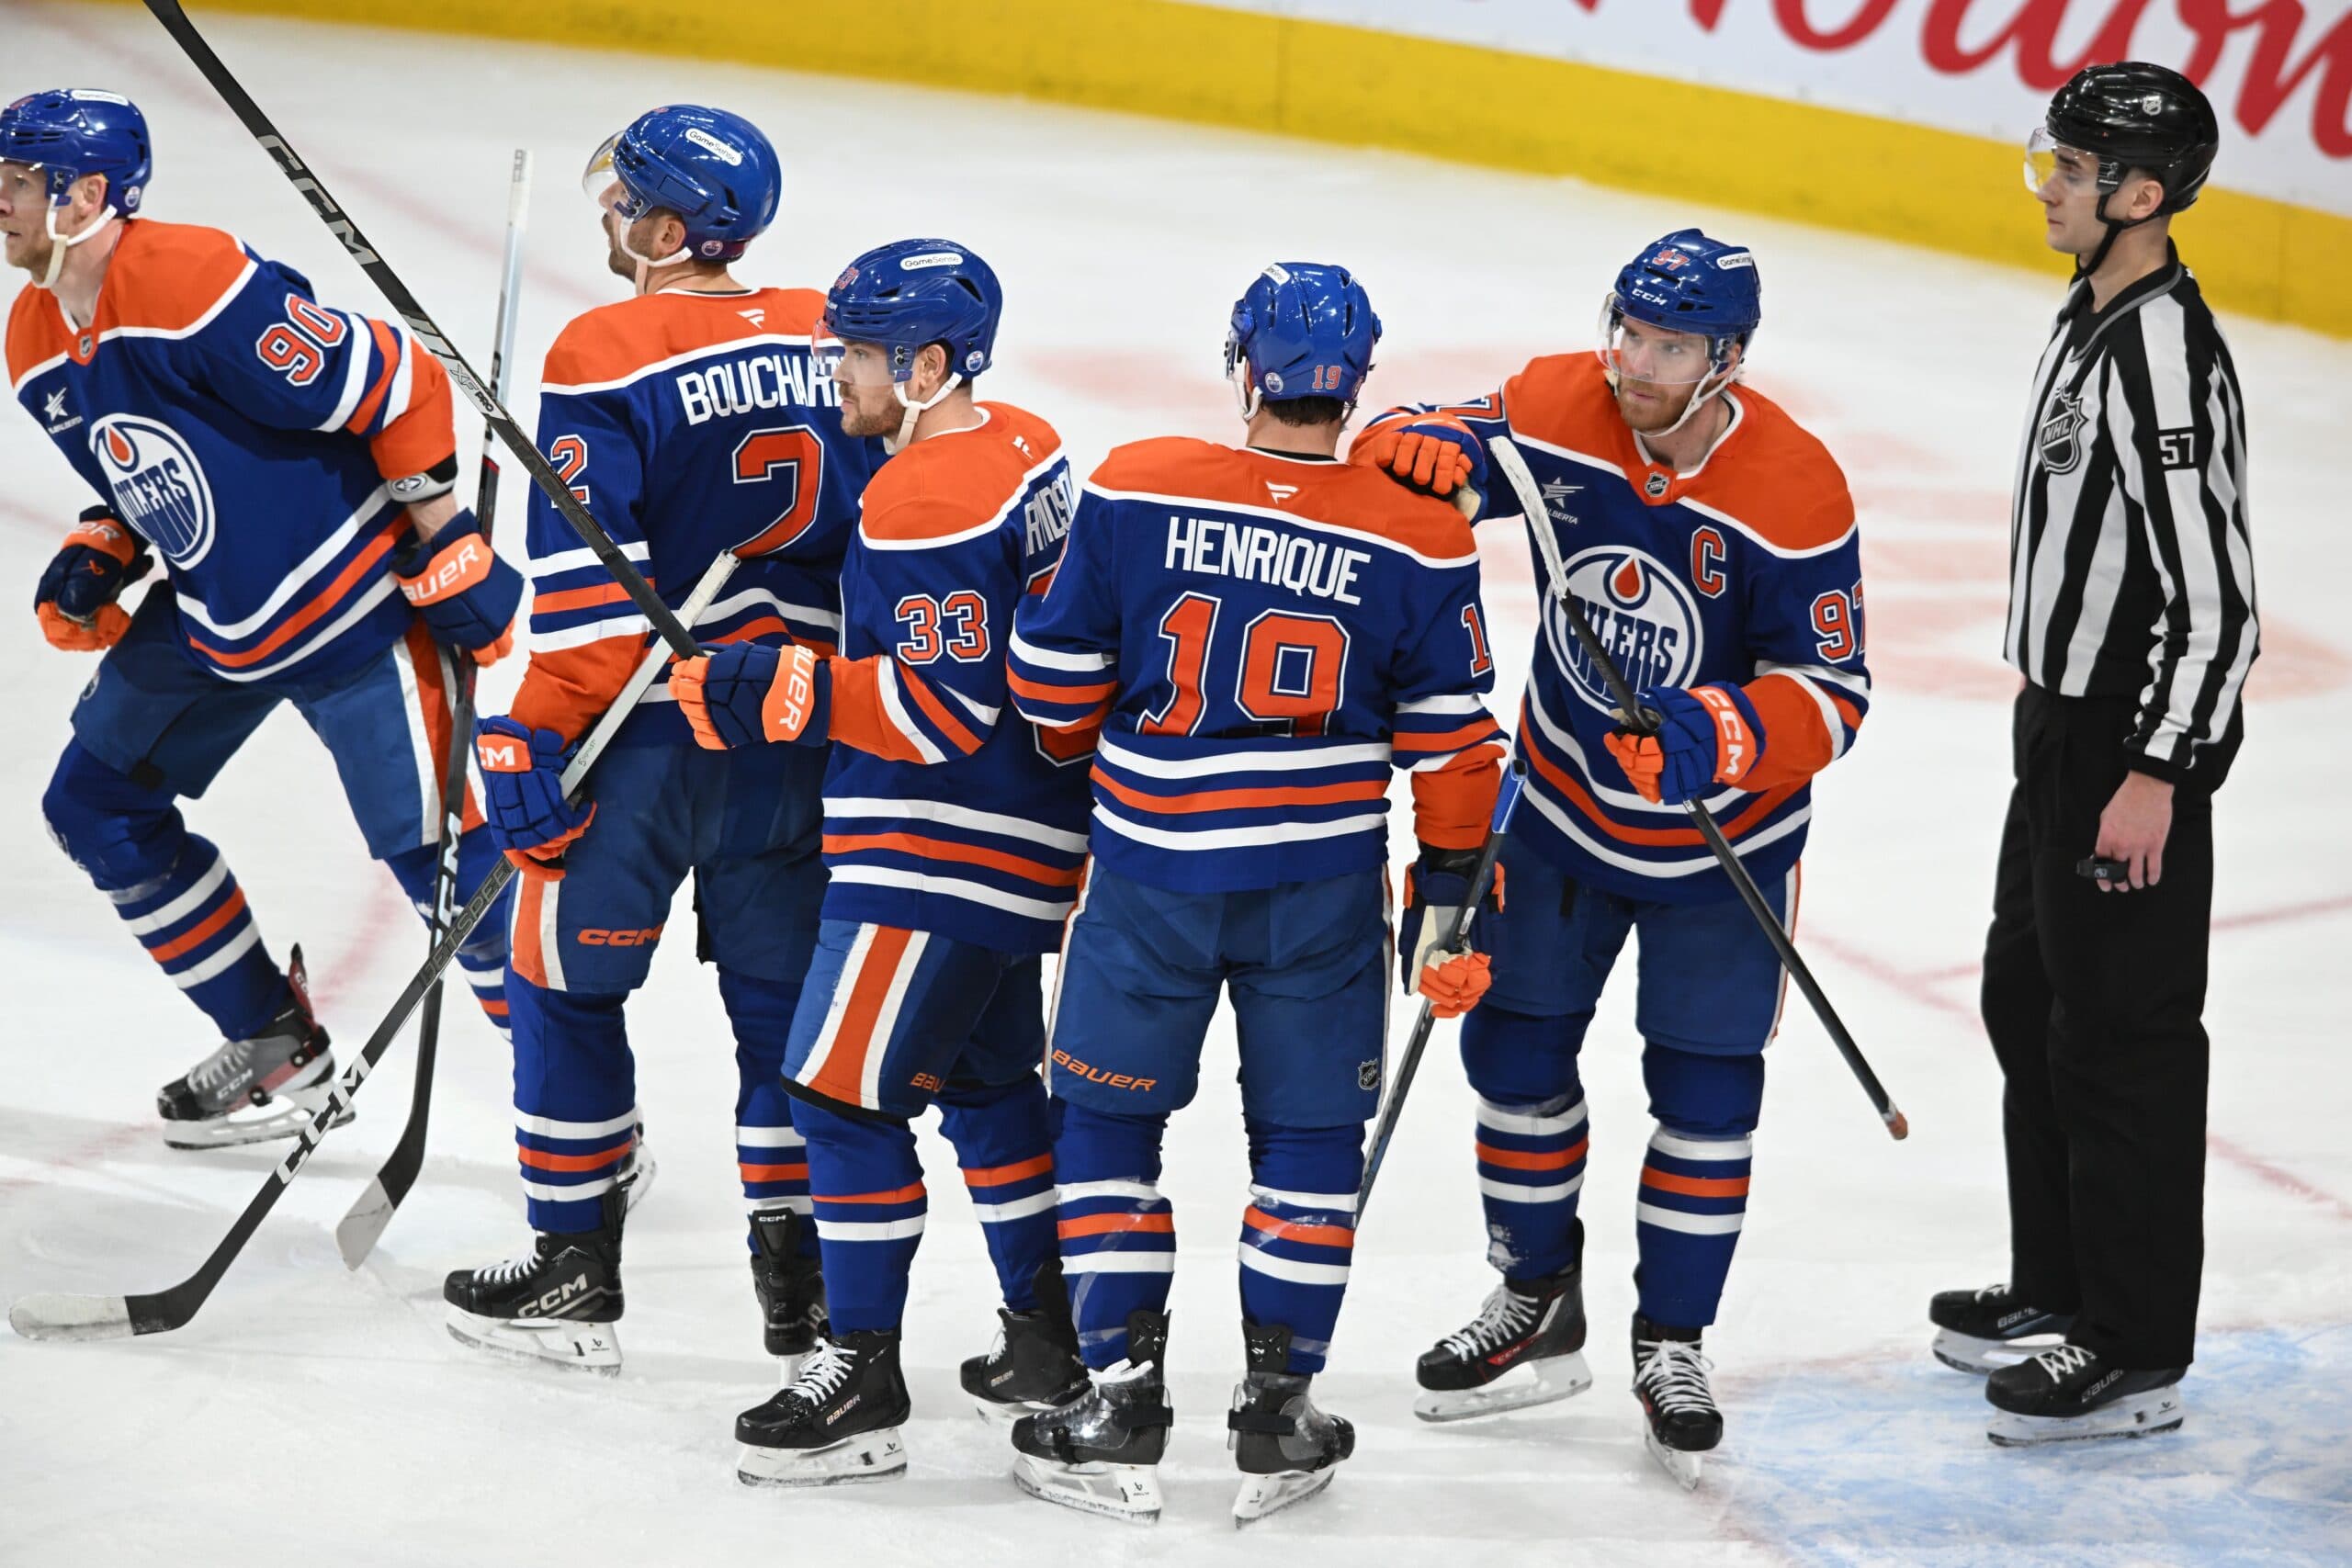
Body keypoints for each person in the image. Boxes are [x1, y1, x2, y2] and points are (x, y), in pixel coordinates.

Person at [1352, 229, 1869, 1484]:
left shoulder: (1795, 486)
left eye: (1669, 344)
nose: (1635, 362)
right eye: (1627, 330)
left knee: (1704, 1094)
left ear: (1726, 358)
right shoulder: (1559, 401)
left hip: (1721, 841)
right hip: (1564, 807)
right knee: (1513, 1050)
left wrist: (1723, 728)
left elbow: (1836, 687)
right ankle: (1537, 1295)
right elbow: (1437, 445)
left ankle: (1673, 1336)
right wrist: (1420, 445)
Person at [1002, 262, 1508, 1525]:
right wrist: (1451, 892)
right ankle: (1280, 1406)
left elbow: (1055, 687)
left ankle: (1119, 1390)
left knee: (1110, 1128)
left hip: (1151, 877)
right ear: (1359, 387)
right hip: (1321, 890)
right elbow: (1454, 741)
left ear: (1245, 366)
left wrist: (1090, 741)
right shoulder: (1424, 530)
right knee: (1306, 1143)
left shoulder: (1137, 480)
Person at [438, 105, 881, 1378]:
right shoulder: (823, 330)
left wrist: (530, 728)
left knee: (560, 985)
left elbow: (586, 602)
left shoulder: (604, 345)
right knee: (781, 1018)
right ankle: (805, 1307)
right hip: (792, 729)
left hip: (637, 737)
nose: (609, 214)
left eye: (627, 197)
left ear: (672, 228)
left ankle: (575, 1269)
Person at [5, 87, 520, 1148]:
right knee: (95, 807)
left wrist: (444, 527)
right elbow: (132, 468)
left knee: (445, 866)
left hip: (350, 606)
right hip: (214, 615)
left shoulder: (191, 282)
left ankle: (586, 1110)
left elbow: (398, 380)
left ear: (84, 195)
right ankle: (274, 1044)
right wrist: (105, 545)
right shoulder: (33, 336)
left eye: (12, 183)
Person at [672, 238, 1093, 1486]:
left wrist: (787, 686)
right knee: (990, 1084)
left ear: (925, 365)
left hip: (935, 840)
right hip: (1025, 834)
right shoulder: (1025, 441)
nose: (833, 370)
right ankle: (1044, 1338)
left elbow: (941, 709)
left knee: (839, 1095)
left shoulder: (921, 500)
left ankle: (861, 1367)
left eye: (855, 352)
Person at [1931, 62, 2255, 1448]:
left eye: (2067, 169)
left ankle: (2130, 1342)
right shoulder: (2098, 311)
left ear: (2140, 194)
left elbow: (2219, 599)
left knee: (2120, 1037)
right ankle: (2061, 1284)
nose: (2045, 185)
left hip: (2128, 739)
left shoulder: (2166, 358)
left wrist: (2158, 772)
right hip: (2061, 723)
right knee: (2029, 999)